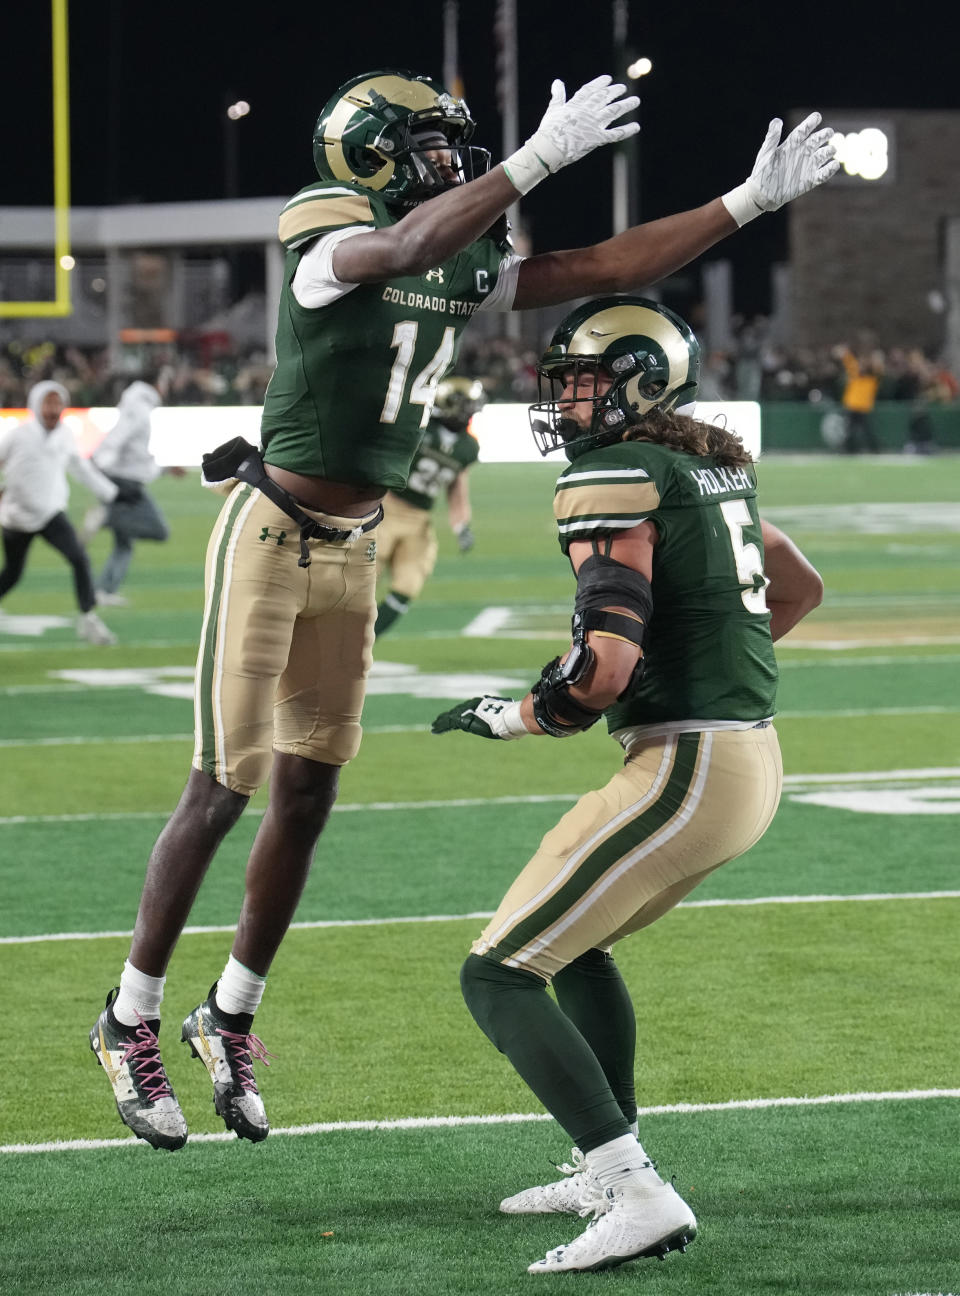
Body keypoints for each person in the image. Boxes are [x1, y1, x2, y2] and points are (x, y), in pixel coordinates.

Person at [88, 67, 838, 1153]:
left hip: (351, 547)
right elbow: (397, 253)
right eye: (429, 142)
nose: (452, 156)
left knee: (308, 793)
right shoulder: (329, 225)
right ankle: (128, 1015)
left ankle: (232, 1013)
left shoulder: (462, 250)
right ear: (371, 155)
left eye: (456, 143)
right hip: (268, 529)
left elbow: (595, 267)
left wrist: (744, 205)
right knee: (222, 787)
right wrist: (538, 161)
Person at [432, 297, 824, 1274]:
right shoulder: (705, 466)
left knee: (499, 972)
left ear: (640, 378)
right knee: (579, 945)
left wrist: (514, 713)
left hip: (690, 765)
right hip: (739, 755)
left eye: (581, 381)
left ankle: (638, 1189)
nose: (564, 402)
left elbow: (598, 673)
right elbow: (799, 586)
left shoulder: (611, 474)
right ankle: (604, 1165)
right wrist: (702, 663)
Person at [0, 380, 118, 645]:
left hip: (51, 513)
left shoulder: (64, 434)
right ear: (35, 404)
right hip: (17, 517)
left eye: (58, 403)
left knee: (79, 558)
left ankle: (88, 618)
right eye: (48, 403)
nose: (53, 409)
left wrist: (109, 492)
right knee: (12, 573)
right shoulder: (18, 435)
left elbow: (80, 467)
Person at [374, 376, 485, 636]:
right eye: (466, 406)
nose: (470, 413)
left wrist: (461, 526)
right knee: (361, 585)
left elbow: (457, 488)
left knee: (408, 585)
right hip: (384, 509)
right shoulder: (418, 427)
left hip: (418, 520)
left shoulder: (468, 446)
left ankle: (366, 642)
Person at [84, 379, 184, 606]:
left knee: (124, 543)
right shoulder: (138, 410)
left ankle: (104, 591)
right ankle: (106, 519)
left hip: (122, 478)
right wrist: (100, 466)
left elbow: (135, 456)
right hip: (124, 484)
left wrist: (165, 470)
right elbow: (118, 441)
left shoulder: (134, 406)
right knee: (159, 530)